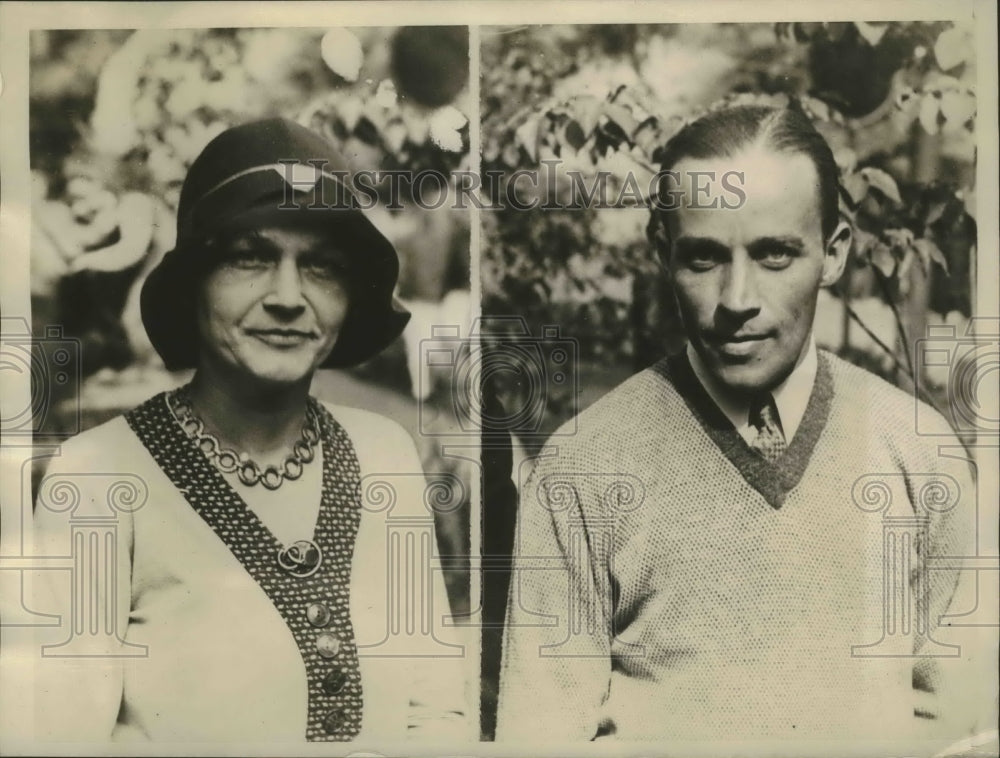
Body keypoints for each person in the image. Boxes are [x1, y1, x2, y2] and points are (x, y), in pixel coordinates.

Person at [496, 105, 978, 745]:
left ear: (833, 254)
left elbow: (960, 727)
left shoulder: (920, 453)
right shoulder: (583, 468)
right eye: (703, 258)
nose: (737, 300)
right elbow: (541, 733)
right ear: (662, 253)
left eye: (776, 254)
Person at [29, 118, 469, 743]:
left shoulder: (384, 455)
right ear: (195, 281)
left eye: (320, 266)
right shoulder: (96, 479)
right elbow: (60, 740)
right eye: (249, 257)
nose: (287, 296)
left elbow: (436, 714)